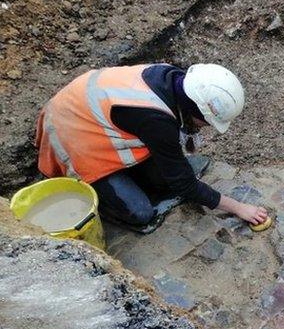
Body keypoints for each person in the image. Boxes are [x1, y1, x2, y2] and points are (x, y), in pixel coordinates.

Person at [34, 63, 268, 231]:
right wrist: (239, 208)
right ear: (195, 110)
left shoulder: (173, 78)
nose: (206, 127)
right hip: (69, 137)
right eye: (207, 121)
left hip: (88, 116)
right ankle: (102, 200)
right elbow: (184, 185)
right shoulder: (156, 121)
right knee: (141, 213)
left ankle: (133, 177)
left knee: (164, 178)